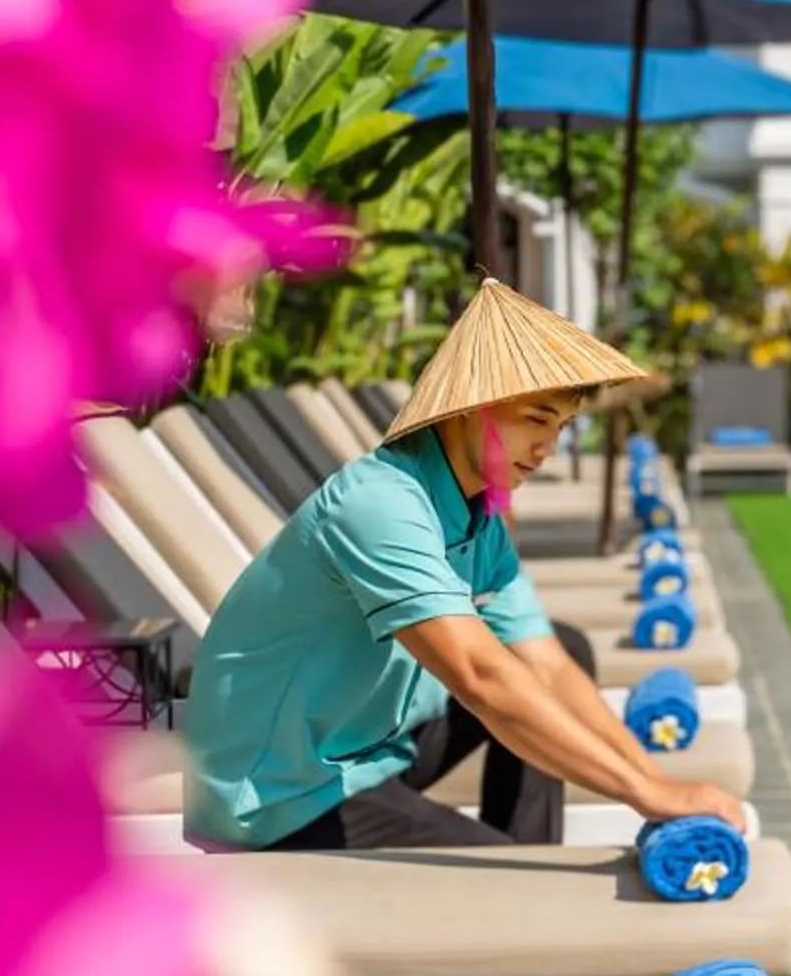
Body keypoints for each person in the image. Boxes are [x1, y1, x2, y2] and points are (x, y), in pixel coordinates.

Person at [180, 279, 743, 851]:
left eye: (560, 427)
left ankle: (530, 854)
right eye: (535, 419)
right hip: (280, 796)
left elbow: (545, 663)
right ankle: (523, 888)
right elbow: (481, 679)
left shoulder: (478, 518)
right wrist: (642, 796)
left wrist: (660, 783)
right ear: (470, 410)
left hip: (372, 747)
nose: (548, 448)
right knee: (520, 864)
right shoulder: (381, 507)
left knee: (565, 647)